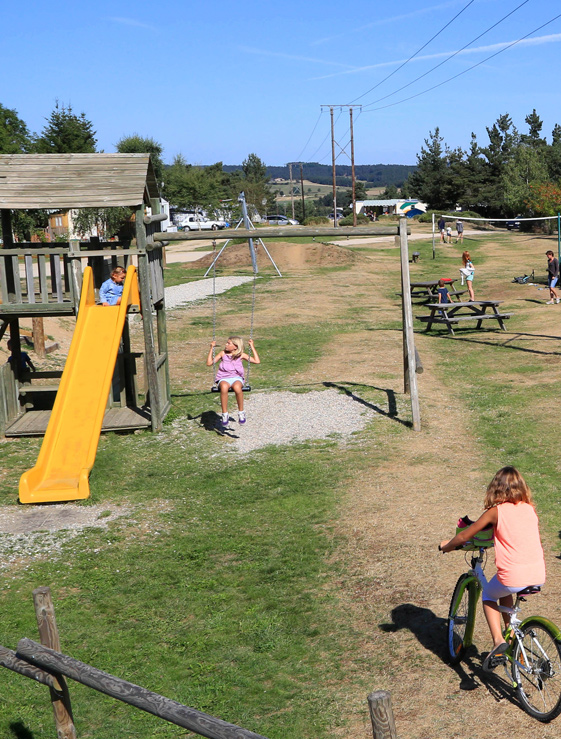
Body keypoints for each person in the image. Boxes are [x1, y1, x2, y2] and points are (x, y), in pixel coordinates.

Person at [440, 467, 545, 672]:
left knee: (489, 594)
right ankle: (511, 636)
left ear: (496, 489)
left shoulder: (495, 512)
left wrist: (448, 545)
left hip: (513, 576)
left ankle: (498, 641)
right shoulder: (529, 508)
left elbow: (465, 536)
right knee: (503, 588)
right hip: (538, 574)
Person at [207, 336, 260, 427]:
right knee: (224, 387)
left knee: (237, 387)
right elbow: (209, 363)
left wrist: (252, 347)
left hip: (236, 378)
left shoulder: (241, 355)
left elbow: (256, 361)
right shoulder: (222, 353)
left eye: (228, 343)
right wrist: (211, 348)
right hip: (223, 377)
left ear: (235, 346)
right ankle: (225, 414)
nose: (226, 345)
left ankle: (241, 412)